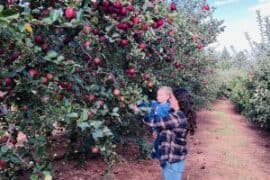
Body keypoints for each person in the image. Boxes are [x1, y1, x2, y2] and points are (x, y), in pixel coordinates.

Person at [133, 86, 188, 180]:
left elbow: (156, 122)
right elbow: (167, 129)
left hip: (173, 161)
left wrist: (138, 112)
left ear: (178, 101)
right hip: (171, 159)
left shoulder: (177, 117)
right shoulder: (175, 114)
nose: (170, 100)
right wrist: (158, 132)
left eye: (172, 98)